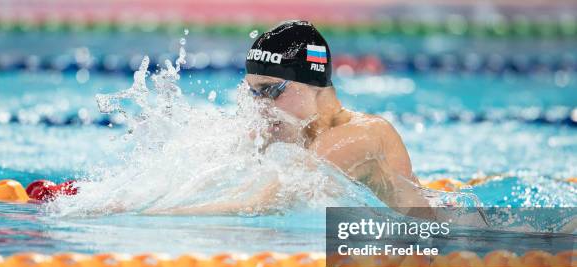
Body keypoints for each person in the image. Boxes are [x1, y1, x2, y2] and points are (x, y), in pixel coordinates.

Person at [144, 20, 440, 217]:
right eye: (253, 93)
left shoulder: (360, 136)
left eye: (271, 91)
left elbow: (258, 205)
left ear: (313, 84)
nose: (259, 106)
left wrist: (146, 216)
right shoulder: (289, 130)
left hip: (427, 243)